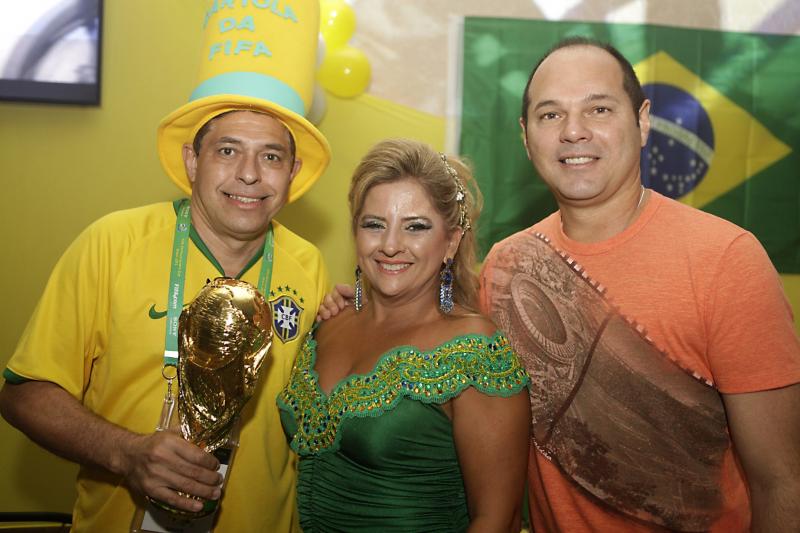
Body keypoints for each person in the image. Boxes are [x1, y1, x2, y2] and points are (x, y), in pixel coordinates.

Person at [0, 3, 331, 532]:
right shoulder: (113, 243)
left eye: (271, 156)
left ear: (292, 173)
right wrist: (126, 453)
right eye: (228, 150)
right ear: (192, 161)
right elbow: (23, 393)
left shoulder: (309, 265)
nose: (249, 174)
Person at [478, 37, 800, 532]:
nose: (573, 131)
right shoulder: (506, 266)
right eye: (550, 114)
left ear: (643, 121)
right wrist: (369, 305)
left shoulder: (726, 260)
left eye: (599, 109)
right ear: (526, 136)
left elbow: (782, 481)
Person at [278, 138, 531, 532]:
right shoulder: (328, 322)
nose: (391, 245)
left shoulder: (475, 352)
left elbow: (498, 520)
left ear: (451, 242)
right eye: (374, 224)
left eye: (415, 227)